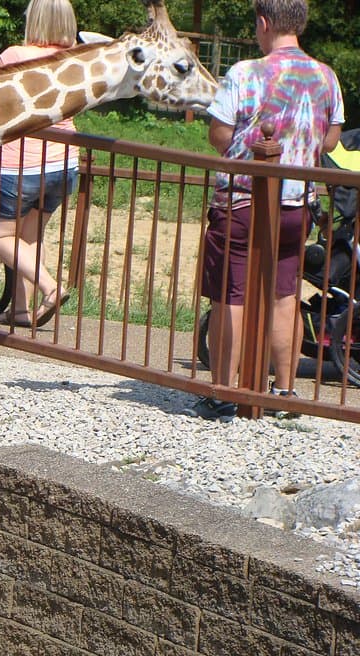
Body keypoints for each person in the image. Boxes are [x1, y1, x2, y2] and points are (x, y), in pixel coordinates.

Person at [186, 0, 343, 422]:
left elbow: (219, 136)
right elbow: (329, 142)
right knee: (285, 293)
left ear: (263, 23)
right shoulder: (327, 77)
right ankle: (285, 394)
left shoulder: (243, 74)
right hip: (297, 204)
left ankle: (222, 391)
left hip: (241, 201)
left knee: (228, 294)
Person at [0, 0, 79, 328]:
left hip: (19, 164)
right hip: (64, 163)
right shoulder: (74, 59)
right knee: (30, 237)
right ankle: (21, 311)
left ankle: (51, 287)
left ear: (34, 18)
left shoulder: (14, 57)